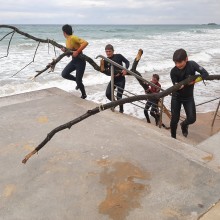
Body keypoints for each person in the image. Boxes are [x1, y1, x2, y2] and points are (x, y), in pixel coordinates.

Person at [170, 48, 209, 139]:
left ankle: (184, 124)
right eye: (176, 63)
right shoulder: (173, 71)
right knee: (174, 120)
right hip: (177, 97)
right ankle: (173, 138)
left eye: (180, 62)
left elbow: (205, 73)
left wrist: (194, 81)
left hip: (188, 97)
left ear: (186, 59)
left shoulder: (192, 65)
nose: (178, 65)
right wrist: (180, 86)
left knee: (192, 119)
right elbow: (175, 85)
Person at [61, 24, 88, 99]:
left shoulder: (73, 37)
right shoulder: (67, 40)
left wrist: (77, 51)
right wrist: (65, 51)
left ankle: (84, 95)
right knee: (64, 74)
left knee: (79, 82)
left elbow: (85, 43)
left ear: (64, 32)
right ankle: (78, 81)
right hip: (73, 61)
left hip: (81, 62)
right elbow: (69, 55)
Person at [101, 44, 130, 113]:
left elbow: (127, 62)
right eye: (106, 51)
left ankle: (121, 110)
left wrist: (125, 69)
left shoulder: (119, 56)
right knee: (108, 94)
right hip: (113, 79)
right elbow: (105, 70)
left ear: (113, 51)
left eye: (109, 51)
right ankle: (114, 103)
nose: (108, 53)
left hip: (121, 79)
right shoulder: (106, 60)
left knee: (119, 96)